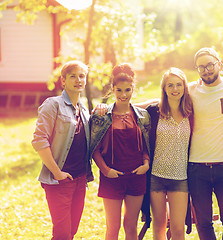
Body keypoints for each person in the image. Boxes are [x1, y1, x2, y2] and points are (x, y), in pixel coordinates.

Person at [31, 60, 94, 240]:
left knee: (71, 231)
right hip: (59, 181)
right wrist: (57, 172)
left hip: (80, 178)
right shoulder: (53, 105)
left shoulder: (83, 109)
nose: (78, 80)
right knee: (62, 234)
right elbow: (38, 140)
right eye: (72, 76)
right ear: (63, 81)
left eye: (82, 76)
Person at [90, 63, 150, 240]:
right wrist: (106, 170)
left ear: (133, 90)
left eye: (128, 90)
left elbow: (147, 145)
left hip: (137, 176)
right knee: (113, 227)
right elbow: (95, 149)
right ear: (113, 89)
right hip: (112, 177)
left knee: (130, 226)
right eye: (119, 90)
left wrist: (146, 164)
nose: (124, 95)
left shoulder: (142, 116)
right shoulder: (102, 116)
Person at [187, 47, 223, 240]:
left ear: (219, 63)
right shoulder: (191, 89)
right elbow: (162, 97)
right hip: (196, 168)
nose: (206, 70)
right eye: (201, 67)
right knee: (203, 222)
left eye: (210, 65)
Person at [146, 67, 193, 240]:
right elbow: (129, 108)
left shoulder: (191, 112)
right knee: (159, 227)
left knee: (178, 229)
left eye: (179, 85)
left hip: (180, 178)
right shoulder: (154, 112)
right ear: (164, 89)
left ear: (184, 87)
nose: (175, 89)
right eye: (170, 85)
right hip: (156, 177)